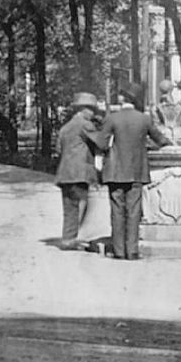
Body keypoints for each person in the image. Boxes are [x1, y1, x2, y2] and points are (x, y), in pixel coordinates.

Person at [94, 83, 169, 260]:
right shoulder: (144, 119)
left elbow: (101, 144)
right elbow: (160, 139)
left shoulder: (112, 118)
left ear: (122, 99)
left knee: (117, 210)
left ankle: (119, 251)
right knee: (134, 211)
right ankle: (132, 251)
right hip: (137, 170)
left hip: (115, 171)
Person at [55, 92, 104, 250]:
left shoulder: (65, 128)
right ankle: (78, 239)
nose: (92, 113)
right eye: (91, 110)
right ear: (82, 109)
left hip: (64, 173)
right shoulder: (85, 124)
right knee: (82, 205)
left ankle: (67, 239)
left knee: (69, 207)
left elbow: (58, 149)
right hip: (79, 173)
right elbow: (101, 143)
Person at [153, 79, 181, 144]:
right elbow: (180, 122)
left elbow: (156, 123)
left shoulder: (156, 108)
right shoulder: (179, 107)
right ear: (171, 89)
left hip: (165, 133)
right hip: (177, 133)